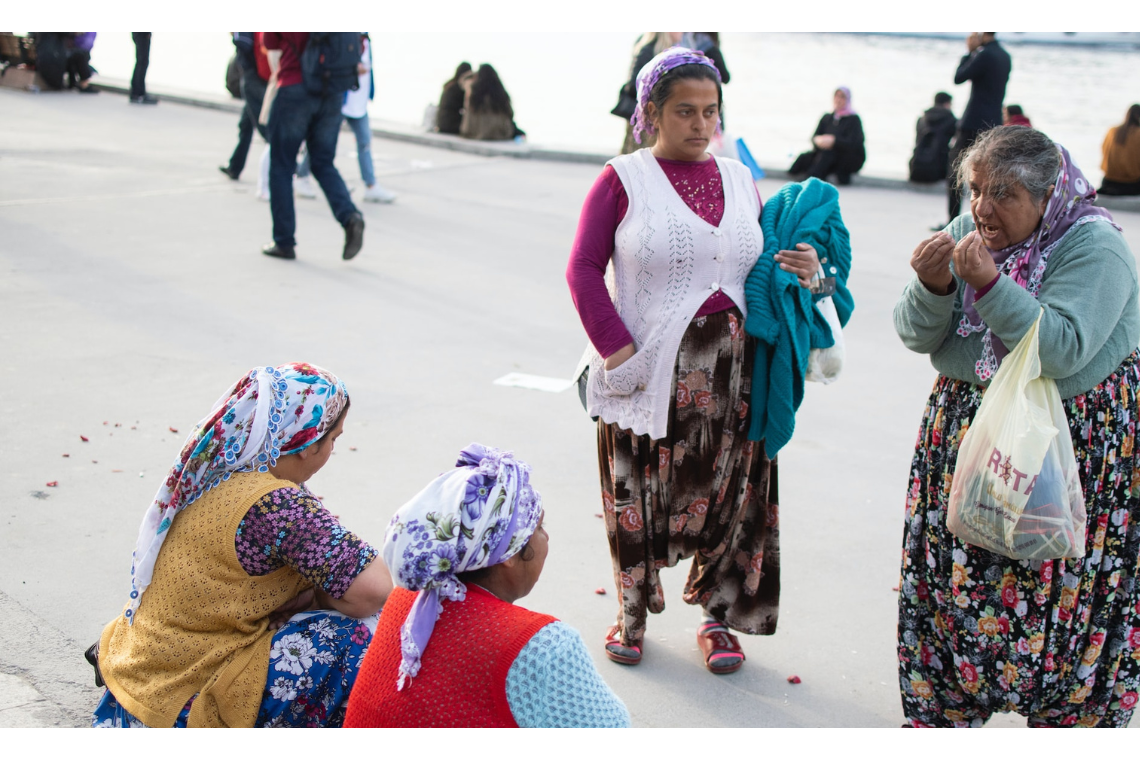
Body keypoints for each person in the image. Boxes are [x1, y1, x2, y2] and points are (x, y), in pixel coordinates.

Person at [567, 48, 821, 674]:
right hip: (647, 373)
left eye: (710, 111)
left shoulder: (738, 177)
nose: (701, 125)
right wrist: (617, 348)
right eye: (685, 111)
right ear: (650, 113)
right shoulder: (621, 178)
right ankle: (630, 611)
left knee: (732, 495)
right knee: (637, 492)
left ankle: (718, 620)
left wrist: (809, 271)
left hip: (736, 375)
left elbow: (760, 267)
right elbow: (582, 269)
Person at [894, 126, 1140, 727]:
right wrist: (933, 287)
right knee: (957, 581)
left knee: (1061, 591)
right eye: (975, 189)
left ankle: (1064, 722)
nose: (980, 208)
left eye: (1002, 193)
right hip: (971, 434)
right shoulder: (970, 232)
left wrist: (987, 285)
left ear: (1048, 194)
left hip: (1068, 443)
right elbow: (916, 334)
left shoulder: (1095, 248)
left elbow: (1060, 351)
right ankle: (947, 712)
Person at [90, 362, 393, 727]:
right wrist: (320, 596)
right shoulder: (275, 504)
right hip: (186, 699)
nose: (332, 449)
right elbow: (375, 589)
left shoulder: (219, 470)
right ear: (304, 444)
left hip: (142, 675)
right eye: (333, 438)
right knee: (361, 634)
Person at [344, 444, 630, 728]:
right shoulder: (544, 647)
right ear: (507, 555)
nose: (547, 538)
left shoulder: (405, 599)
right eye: (539, 527)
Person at [261, 33, 365, 261]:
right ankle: (349, 217)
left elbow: (269, 44)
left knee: (282, 165)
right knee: (323, 162)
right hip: (333, 93)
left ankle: (284, 241)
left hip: (294, 88)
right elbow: (360, 46)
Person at [295, 34, 397, 204]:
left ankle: (371, 186)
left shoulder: (365, 39)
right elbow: (336, 62)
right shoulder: (345, 36)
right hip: (341, 99)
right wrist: (355, 69)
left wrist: (371, 92)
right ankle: (303, 176)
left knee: (364, 141)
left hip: (359, 102)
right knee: (322, 143)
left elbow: (368, 70)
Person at [943, 32, 1011, 228]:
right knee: (989, 174)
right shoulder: (1004, 56)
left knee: (956, 171)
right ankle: (987, 219)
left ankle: (953, 221)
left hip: (973, 122)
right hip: (993, 122)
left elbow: (959, 77)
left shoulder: (983, 55)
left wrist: (969, 52)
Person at [788, 87, 866, 186]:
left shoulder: (854, 119)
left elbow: (855, 143)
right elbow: (814, 137)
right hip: (826, 153)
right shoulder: (827, 117)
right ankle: (801, 178)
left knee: (827, 156)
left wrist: (834, 141)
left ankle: (810, 181)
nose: (839, 99)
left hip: (846, 157)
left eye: (842, 97)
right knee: (805, 158)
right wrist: (819, 141)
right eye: (836, 96)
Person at [617, 33, 680, 154]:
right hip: (642, 119)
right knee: (635, 157)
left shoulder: (669, 52)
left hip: (654, 116)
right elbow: (633, 84)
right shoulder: (648, 49)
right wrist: (658, 95)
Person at [219, 33, 268, 181]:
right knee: (246, 124)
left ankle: (293, 165)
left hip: (253, 75)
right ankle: (235, 166)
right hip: (258, 72)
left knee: (264, 127)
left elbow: (243, 43)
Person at [459, 64, 523, 141]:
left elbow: (463, 81)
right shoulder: (501, 93)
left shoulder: (474, 92)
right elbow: (510, 114)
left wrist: (473, 74)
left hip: (476, 133)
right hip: (501, 134)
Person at [909, 91, 957, 183]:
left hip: (915, 168)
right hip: (938, 171)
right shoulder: (951, 120)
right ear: (947, 104)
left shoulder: (921, 119)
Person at [1099, 104, 1140, 196]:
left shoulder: (1112, 131)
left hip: (1107, 182)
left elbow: (1103, 151)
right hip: (1132, 184)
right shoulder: (1138, 134)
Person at [435, 61, 472, 135]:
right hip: (451, 125)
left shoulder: (449, 85)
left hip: (442, 123)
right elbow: (467, 106)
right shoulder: (458, 88)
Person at [129, 32, 157, 105]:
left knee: (141, 61)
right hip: (142, 34)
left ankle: (136, 92)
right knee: (142, 62)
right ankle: (139, 93)